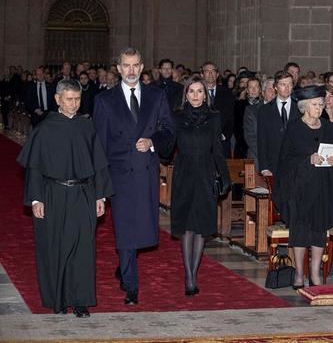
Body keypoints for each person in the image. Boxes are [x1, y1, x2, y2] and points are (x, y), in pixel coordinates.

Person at [18, 79, 113, 317]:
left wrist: (100, 195)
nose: (73, 104)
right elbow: (34, 168)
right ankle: (58, 300)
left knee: (83, 248)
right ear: (57, 99)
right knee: (55, 247)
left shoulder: (86, 127)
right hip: (53, 195)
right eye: (69, 99)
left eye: (77, 99)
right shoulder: (44, 129)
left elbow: (99, 164)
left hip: (83, 193)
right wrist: (36, 199)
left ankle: (80, 300)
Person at [93, 47, 174, 305]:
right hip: (120, 176)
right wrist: (100, 186)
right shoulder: (105, 101)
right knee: (126, 229)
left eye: (135, 65)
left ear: (141, 68)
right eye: (125, 66)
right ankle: (131, 285)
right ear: (118, 69)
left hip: (146, 173)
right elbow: (99, 145)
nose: (130, 70)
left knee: (144, 230)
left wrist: (151, 141)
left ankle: (125, 263)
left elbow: (169, 131)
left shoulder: (156, 96)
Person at [273, 85, 333, 288]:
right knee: (301, 232)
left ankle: (315, 274)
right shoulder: (294, 128)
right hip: (299, 189)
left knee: (319, 231)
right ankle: (299, 274)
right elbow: (285, 161)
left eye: (321, 104)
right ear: (304, 107)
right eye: (315, 104)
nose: (319, 108)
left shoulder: (328, 127)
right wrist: (308, 160)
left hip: (323, 187)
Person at [168, 75, 230, 295]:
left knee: (201, 226)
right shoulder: (175, 116)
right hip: (184, 173)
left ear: (206, 95)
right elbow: (167, 149)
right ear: (185, 95)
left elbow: (218, 151)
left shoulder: (214, 117)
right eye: (191, 91)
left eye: (199, 91)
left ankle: (194, 273)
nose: (195, 95)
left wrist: (225, 177)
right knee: (186, 226)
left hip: (205, 172)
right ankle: (189, 276)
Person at [257, 71, 301, 177]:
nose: (287, 88)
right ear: (275, 87)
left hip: (296, 166)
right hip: (273, 166)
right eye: (283, 84)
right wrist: (264, 167)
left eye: (290, 84)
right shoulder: (265, 110)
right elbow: (262, 140)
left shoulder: (300, 108)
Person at [201, 62, 235, 157]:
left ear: (217, 74)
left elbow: (231, 118)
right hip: (201, 142)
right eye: (207, 71)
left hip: (222, 141)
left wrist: (224, 136)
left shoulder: (227, 93)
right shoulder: (197, 93)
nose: (210, 74)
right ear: (202, 74)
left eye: (213, 71)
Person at [242, 76, 264, 161]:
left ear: (260, 89)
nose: (254, 90)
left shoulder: (265, 105)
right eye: (251, 87)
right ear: (247, 90)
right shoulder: (240, 105)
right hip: (245, 147)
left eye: (256, 87)